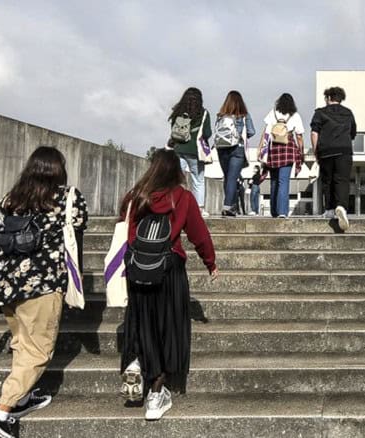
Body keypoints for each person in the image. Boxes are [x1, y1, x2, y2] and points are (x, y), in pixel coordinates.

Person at [0, 146, 87, 438]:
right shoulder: (68, 198)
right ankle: (2, 412)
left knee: (22, 343)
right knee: (39, 349)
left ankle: (22, 397)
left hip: (4, 284)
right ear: (58, 170)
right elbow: (75, 244)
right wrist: (75, 282)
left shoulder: (12, 199)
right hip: (42, 284)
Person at [118, 148, 218, 421]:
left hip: (138, 268)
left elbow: (123, 231)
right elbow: (199, 233)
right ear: (176, 171)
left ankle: (137, 360)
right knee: (168, 327)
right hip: (169, 270)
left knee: (142, 321)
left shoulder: (135, 197)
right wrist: (211, 262)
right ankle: (156, 394)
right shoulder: (183, 197)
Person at [309, 86, 357, 231]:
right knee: (342, 180)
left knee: (327, 180)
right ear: (340, 99)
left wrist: (316, 151)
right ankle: (341, 206)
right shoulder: (348, 113)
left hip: (326, 151)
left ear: (328, 98)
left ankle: (329, 209)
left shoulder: (320, 113)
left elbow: (314, 133)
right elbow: (353, 133)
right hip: (344, 150)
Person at [167, 87, 214, 216]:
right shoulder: (203, 113)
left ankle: (175, 205)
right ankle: (198, 208)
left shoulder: (178, 111)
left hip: (178, 149)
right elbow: (207, 133)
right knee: (198, 180)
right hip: (195, 150)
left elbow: (173, 131)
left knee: (177, 179)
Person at [260, 93, 307, 218]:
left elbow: (266, 132)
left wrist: (261, 149)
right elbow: (299, 136)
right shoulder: (295, 115)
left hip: (273, 149)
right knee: (283, 181)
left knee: (274, 181)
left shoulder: (273, 113)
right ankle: (282, 212)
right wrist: (301, 151)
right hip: (288, 149)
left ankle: (274, 211)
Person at [214, 91, 257, 217]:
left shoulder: (220, 115)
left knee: (227, 177)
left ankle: (230, 205)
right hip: (237, 148)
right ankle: (228, 206)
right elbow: (251, 131)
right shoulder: (243, 115)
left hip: (221, 148)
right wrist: (242, 135)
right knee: (233, 178)